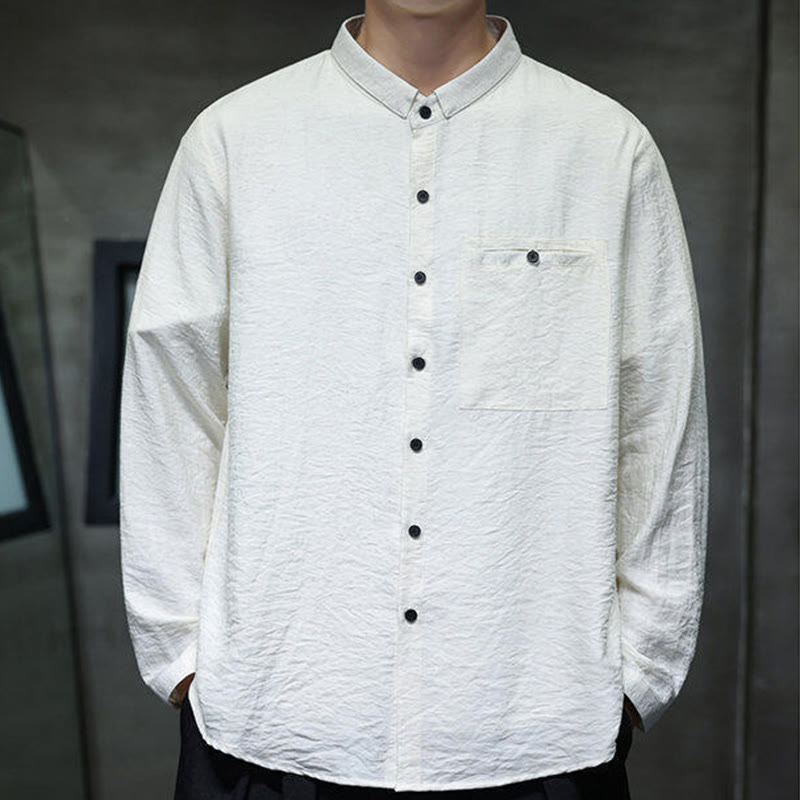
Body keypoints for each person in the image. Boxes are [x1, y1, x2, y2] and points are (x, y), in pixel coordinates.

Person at [119, 2, 709, 799]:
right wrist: (182, 658)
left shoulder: (605, 149)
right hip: (272, 722)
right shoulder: (234, 141)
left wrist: (641, 670)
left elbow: (659, 413)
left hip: (537, 732)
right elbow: (172, 402)